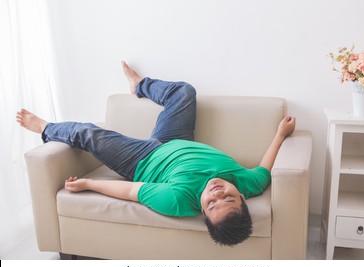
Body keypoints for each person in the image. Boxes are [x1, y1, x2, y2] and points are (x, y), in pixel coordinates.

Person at [16, 61, 296, 246]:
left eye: (212, 203)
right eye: (228, 196)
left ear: (202, 212)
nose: (218, 191)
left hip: (142, 159)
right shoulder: (251, 183)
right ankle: (140, 86)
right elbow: (265, 167)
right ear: (243, 198)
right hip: (176, 140)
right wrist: (279, 135)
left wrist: (88, 183)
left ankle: (45, 128)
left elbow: (130, 192)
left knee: (88, 133)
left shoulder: (175, 200)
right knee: (184, 92)